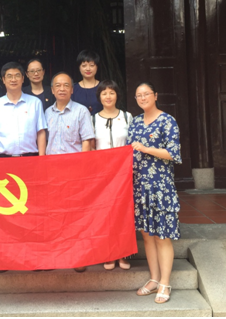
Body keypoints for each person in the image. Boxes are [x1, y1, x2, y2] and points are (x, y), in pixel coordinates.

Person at [127, 82, 182, 304]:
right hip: (139, 186)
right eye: (138, 95)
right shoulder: (135, 122)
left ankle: (165, 283)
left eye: (146, 94)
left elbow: (174, 153)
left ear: (155, 95)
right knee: (147, 235)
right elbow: (128, 151)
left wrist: (146, 149)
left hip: (160, 186)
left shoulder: (167, 120)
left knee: (162, 235)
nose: (142, 98)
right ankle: (154, 279)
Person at [45, 72, 95, 272]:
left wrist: (82, 169)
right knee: (54, 214)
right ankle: (56, 254)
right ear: (52, 90)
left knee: (76, 214)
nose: (62, 89)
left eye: (66, 85)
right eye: (58, 85)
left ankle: (78, 256)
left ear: (72, 89)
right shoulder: (46, 113)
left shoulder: (81, 111)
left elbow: (87, 141)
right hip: (51, 171)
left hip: (74, 171)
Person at [91, 80, 133, 271]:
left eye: (112, 93)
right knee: (105, 213)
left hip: (124, 173)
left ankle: (123, 253)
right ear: (99, 97)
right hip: (102, 175)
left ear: (117, 95)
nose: (108, 97)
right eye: (104, 93)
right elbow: (91, 147)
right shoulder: (93, 119)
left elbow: (132, 143)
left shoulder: (127, 116)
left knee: (123, 213)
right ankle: (109, 253)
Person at [0, 62, 47, 158]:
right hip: (2, 159)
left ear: (23, 78)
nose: (13, 79)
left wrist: (41, 159)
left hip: (29, 158)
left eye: (17, 75)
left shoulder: (35, 103)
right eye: (9, 76)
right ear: (3, 80)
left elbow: (40, 132)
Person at [72, 50, 102, 116]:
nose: (88, 69)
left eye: (92, 65)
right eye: (84, 66)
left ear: (97, 67)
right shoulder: (73, 89)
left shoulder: (103, 87)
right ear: (79, 67)